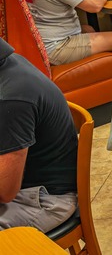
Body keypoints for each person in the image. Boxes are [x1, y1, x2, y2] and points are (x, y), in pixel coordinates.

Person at [0, 38, 78, 233]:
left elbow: (5, 191)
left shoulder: (10, 97)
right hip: (25, 187)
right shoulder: (11, 63)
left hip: (44, 200)